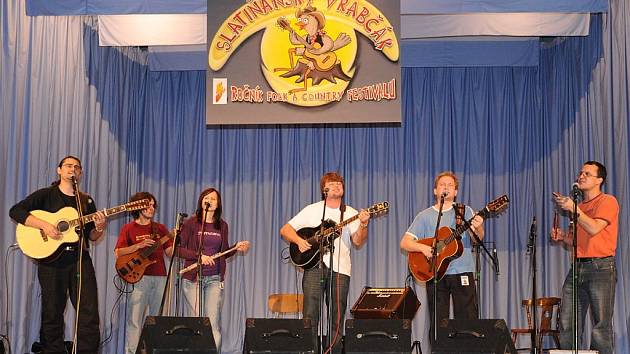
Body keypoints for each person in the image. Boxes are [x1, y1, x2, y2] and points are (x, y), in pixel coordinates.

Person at [9, 155, 107, 354]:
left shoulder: (85, 200)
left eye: (77, 167)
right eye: (68, 165)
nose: (73, 169)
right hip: (52, 262)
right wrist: (44, 225)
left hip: (80, 259)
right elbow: (16, 211)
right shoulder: (46, 195)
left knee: (89, 312)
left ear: (80, 173)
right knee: (52, 312)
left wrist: (100, 227)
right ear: (59, 170)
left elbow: (93, 236)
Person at [280, 172, 370, 354]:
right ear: (324, 189)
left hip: (341, 270)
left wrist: (363, 224)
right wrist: (299, 241)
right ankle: (310, 351)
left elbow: (358, 241)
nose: (337, 185)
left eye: (340, 183)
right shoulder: (312, 209)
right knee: (310, 315)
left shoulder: (350, 212)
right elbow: (285, 230)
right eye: (332, 183)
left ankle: (333, 351)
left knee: (336, 316)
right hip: (314, 267)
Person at [400, 171, 484, 343]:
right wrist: (423, 248)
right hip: (435, 274)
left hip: (462, 272)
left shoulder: (464, 211)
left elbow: (478, 240)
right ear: (435, 191)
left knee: (467, 319)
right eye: (442, 185)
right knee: (439, 322)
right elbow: (405, 243)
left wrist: (480, 227)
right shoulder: (424, 216)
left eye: (450, 185)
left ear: (456, 192)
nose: (446, 187)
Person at [551, 161, 618, 354]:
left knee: (601, 326)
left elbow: (595, 228)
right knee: (567, 322)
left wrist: (575, 210)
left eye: (587, 174)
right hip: (577, 268)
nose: (581, 176)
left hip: (601, 268)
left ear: (599, 180)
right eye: (580, 172)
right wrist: (563, 237)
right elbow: (576, 240)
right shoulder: (579, 206)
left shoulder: (607, 201)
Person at [178, 187, 250, 352]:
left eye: (213, 199)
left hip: (214, 279)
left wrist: (236, 248)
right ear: (201, 201)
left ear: (218, 205)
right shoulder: (191, 223)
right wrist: (198, 256)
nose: (209, 200)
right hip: (192, 279)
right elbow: (178, 249)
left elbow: (223, 252)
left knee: (213, 323)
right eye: (206, 197)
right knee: (196, 322)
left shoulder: (222, 225)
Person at [114, 192, 174, 354]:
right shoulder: (129, 228)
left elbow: (170, 252)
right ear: (138, 206)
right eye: (148, 204)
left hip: (160, 277)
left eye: (153, 205)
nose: (151, 208)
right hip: (139, 278)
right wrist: (137, 246)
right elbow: (118, 253)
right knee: (135, 319)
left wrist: (177, 240)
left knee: (158, 320)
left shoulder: (160, 228)